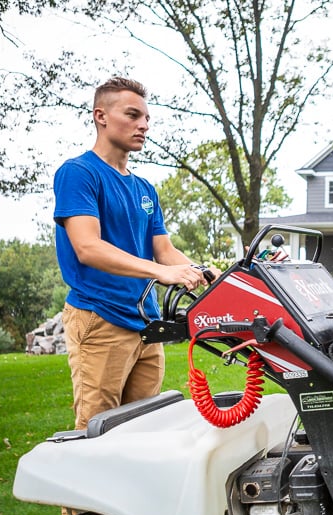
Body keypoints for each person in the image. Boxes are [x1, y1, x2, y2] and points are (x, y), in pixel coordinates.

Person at [53, 77, 220, 433]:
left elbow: (164, 250)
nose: (143, 125)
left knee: (143, 429)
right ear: (101, 116)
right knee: (96, 432)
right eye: (132, 115)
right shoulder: (79, 174)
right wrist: (161, 273)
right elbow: (87, 248)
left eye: (146, 118)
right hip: (100, 318)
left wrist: (204, 273)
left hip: (146, 324)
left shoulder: (144, 188)